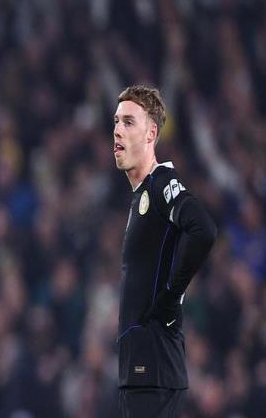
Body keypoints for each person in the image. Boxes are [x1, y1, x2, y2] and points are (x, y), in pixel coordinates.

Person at [113, 85, 217, 417]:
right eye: (116, 121)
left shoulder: (160, 183)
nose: (117, 130)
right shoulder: (142, 195)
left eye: (129, 122)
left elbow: (203, 229)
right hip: (141, 370)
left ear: (151, 133)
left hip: (153, 368)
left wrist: (171, 296)